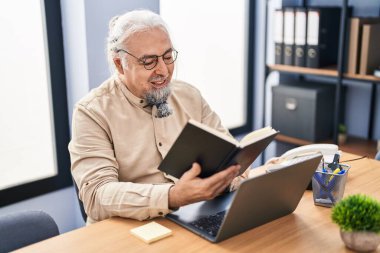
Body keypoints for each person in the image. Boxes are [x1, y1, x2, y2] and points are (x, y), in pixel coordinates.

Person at [69, 9, 249, 224]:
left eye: (167, 56)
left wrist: (237, 176)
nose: (164, 70)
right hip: (129, 231)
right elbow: (96, 197)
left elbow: (229, 155)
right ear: (119, 64)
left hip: (192, 219)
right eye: (149, 61)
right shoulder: (91, 112)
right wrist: (172, 196)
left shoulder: (189, 95)